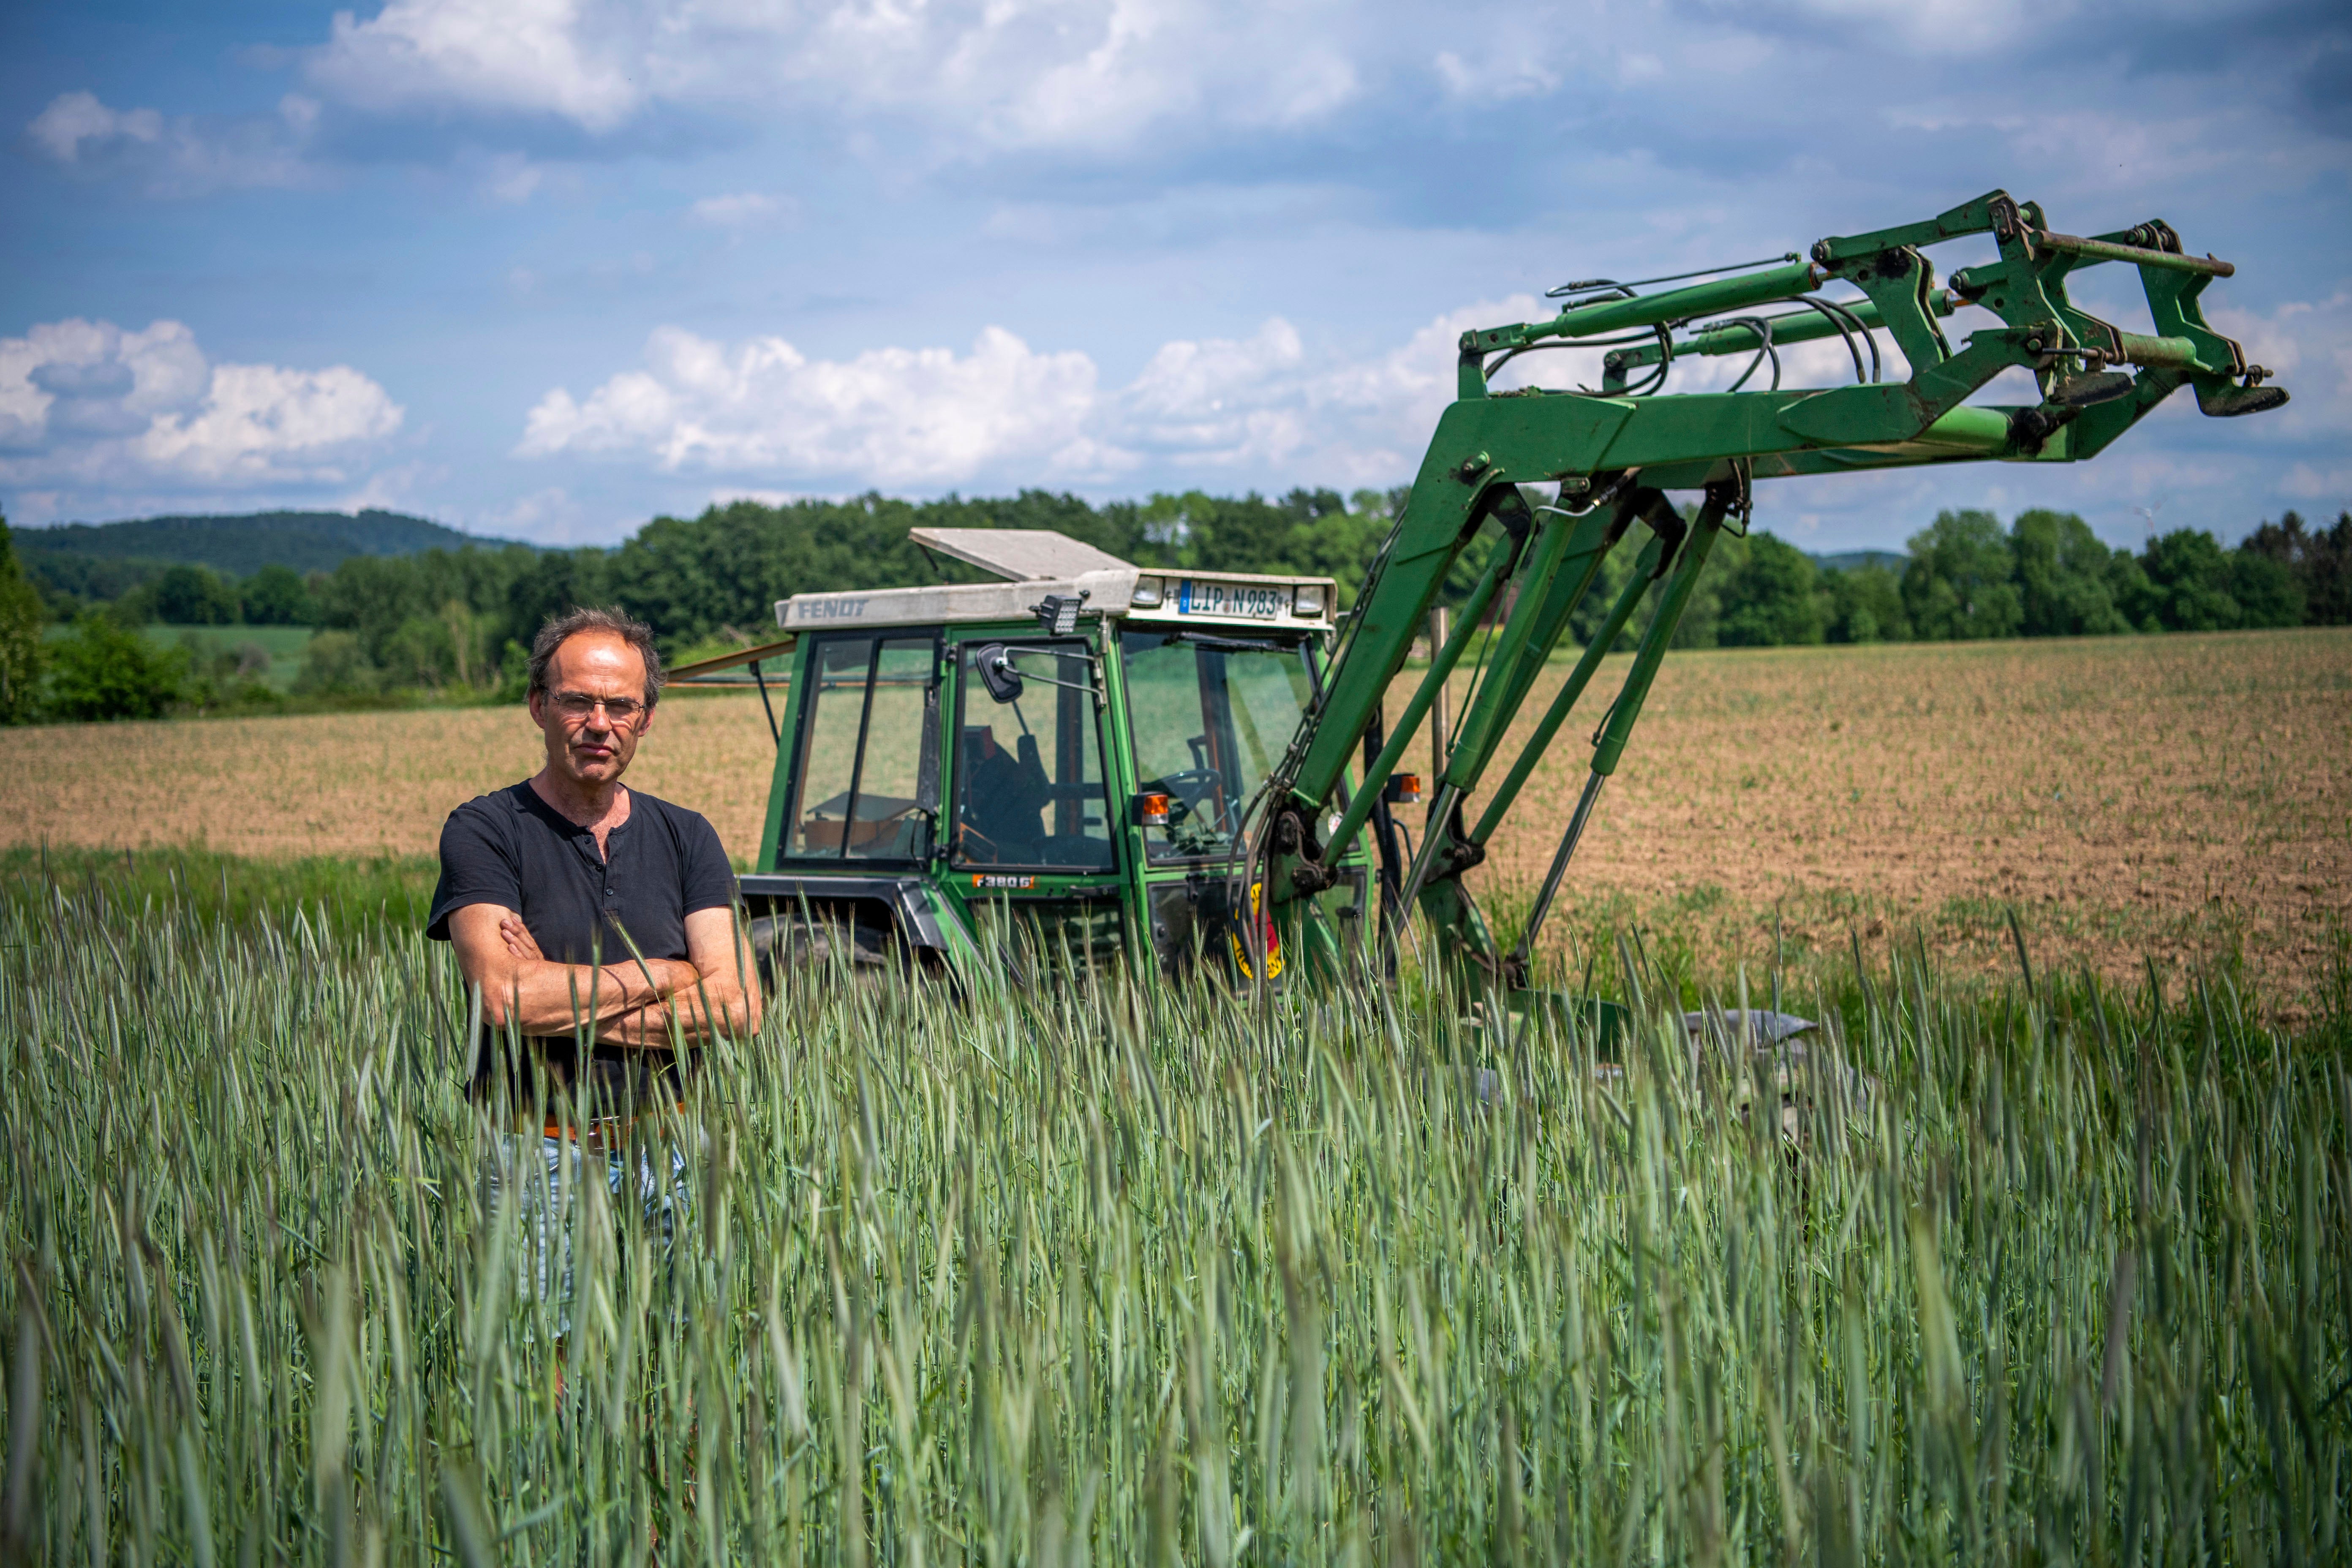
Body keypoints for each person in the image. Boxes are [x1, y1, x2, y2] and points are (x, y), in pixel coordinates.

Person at [428, 607, 760, 1277]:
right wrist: (669, 974)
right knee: (540, 1367)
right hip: (537, 1153)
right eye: (578, 701)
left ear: (646, 718)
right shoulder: (486, 831)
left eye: (621, 706)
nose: (600, 724)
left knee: (681, 1354)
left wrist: (557, 992)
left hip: (670, 1149)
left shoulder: (688, 836)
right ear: (537, 706)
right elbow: (504, 997)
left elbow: (737, 1009)